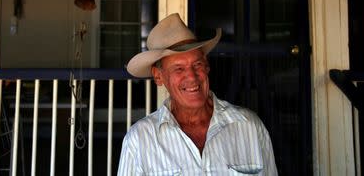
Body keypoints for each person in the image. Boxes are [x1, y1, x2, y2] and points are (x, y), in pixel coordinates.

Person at [118, 13, 277, 175]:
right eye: (179, 68)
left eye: (197, 64)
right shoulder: (140, 140)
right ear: (158, 76)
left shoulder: (249, 126)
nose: (192, 77)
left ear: (207, 66)